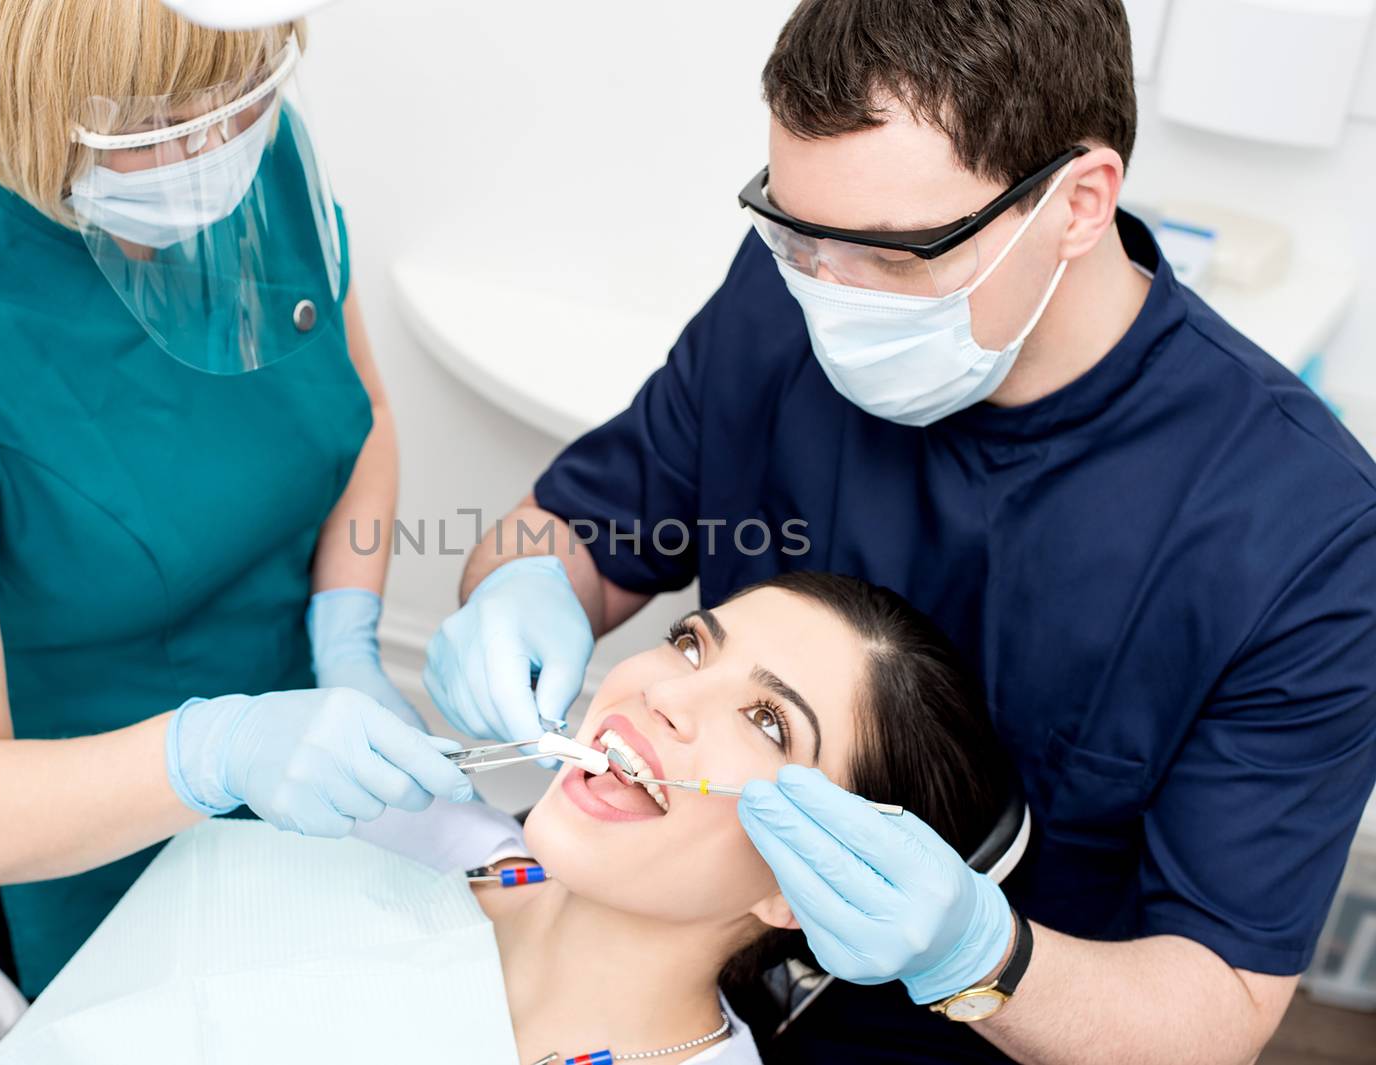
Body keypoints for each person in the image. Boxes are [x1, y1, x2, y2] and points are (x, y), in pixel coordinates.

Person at [423, 1, 1376, 1062]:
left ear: (1079, 201)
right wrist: (521, 589)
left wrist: (982, 958)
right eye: (792, 229)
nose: (830, 293)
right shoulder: (789, 292)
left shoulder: (1302, 537)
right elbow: (568, 535)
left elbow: (1214, 1013)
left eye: (893, 253)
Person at [0, 0, 471, 1000]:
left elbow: (365, 415)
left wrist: (347, 636)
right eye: (155, 124)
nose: (213, 146)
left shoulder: (260, 170)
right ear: (26, 102)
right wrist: (215, 750)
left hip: (317, 770)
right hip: (98, 856)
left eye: (239, 90)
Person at [0, 572, 1012, 1064]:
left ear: (803, 886)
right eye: (693, 645)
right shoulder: (410, 838)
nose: (663, 692)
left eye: (764, 720)